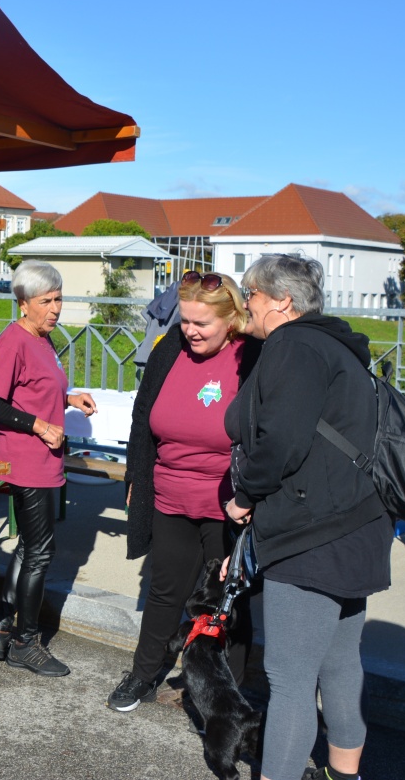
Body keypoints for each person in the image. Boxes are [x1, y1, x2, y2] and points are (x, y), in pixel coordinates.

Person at [224, 254, 391, 780]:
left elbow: (282, 441)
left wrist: (244, 496)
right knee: (340, 661)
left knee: (290, 676)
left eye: (250, 292)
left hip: (309, 533)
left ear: (281, 301)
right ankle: (345, 773)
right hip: (356, 524)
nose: (244, 301)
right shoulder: (339, 346)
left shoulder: (292, 345)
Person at [108, 271, 259, 712]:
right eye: (186, 320)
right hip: (170, 494)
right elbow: (142, 420)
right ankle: (142, 675)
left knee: (226, 603)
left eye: (201, 324)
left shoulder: (253, 358)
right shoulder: (171, 348)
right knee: (164, 591)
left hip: (227, 505)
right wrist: (136, 478)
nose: (189, 330)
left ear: (231, 319)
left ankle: (225, 695)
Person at [0, 260, 96, 677]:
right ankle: (27, 642)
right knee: (41, 551)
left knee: (30, 548)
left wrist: (68, 400)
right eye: (46, 300)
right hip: (26, 459)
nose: (56, 308)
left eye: (59, 298)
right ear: (23, 303)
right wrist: (40, 425)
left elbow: (33, 392)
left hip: (43, 457)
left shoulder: (42, 340)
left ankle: (6, 629)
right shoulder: (15, 340)